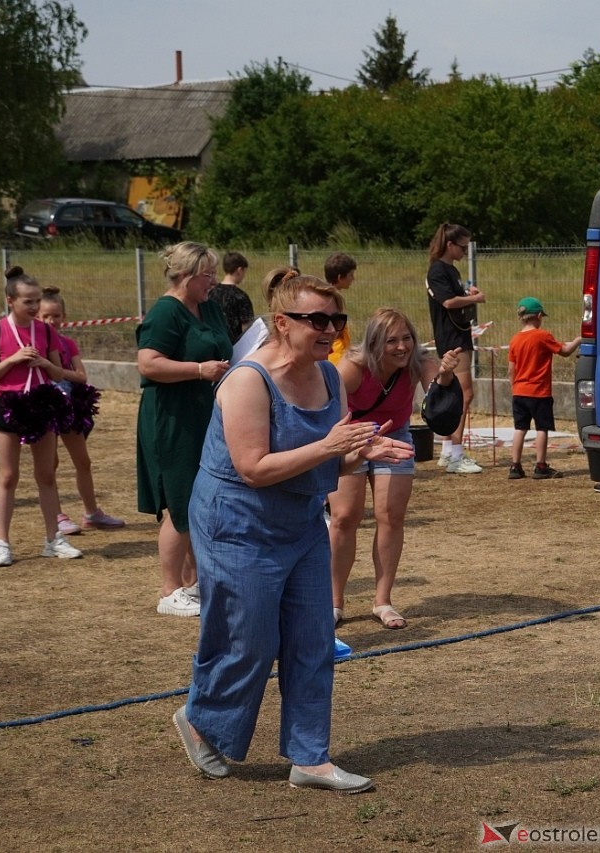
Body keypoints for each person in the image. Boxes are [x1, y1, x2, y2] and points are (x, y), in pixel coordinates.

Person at [173, 273, 413, 791]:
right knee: (251, 642)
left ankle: (310, 758)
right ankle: (200, 719)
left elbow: (332, 458)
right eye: (318, 320)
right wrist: (333, 449)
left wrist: (359, 456)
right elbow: (252, 468)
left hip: (300, 523)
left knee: (313, 640)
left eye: (337, 319)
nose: (331, 330)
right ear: (282, 323)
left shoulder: (328, 377)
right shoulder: (247, 380)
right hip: (236, 525)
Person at [328, 307, 461, 629]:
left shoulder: (417, 362)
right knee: (345, 517)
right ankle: (333, 602)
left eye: (407, 338)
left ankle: (383, 600)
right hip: (354, 437)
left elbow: (439, 401)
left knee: (391, 516)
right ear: (375, 343)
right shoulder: (353, 367)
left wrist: (444, 374)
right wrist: (346, 446)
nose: (402, 347)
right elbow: (326, 407)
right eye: (392, 341)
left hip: (395, 435)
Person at [136, 242, 232, 616]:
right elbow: (148, 364)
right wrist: (198, 370)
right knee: (181, 500)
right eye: (209, 274)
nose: (213, 281)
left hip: (203, 412)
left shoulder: (208, 306)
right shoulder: (165, 312)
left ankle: (195, 584)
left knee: (201, 496)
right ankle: (169, 590)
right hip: (172, 418)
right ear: (187, 276)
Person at [0, 267, 82, 567]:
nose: (35, 307)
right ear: (10, 300)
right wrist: (12, 359)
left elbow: (59, 371)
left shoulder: (47, 330)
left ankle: (53, 539)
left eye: (37, 300)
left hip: (42, 401)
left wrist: (43, 363)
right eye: (28, 301)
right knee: (8, 476)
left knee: (46, 474)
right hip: (10, 403)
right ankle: (2, 542)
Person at [38, 287, 125, 534]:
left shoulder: (68, 344)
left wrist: (57, 372)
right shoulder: (33, 345)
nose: (50, 321)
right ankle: (56, 515)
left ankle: (91, 512)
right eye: (45, 316)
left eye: (55, 316)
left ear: (64, 316)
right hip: (43, 408)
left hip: (69, 406)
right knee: (49, 463)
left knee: (83, 461)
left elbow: (81, 375)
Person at [425, 222, 485, 474]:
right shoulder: (437, 270)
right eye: (461, 247)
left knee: (457, 394)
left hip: (459, 334)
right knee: (463, 394)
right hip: (452, 338)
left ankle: (449, 450)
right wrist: (474, 298)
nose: (464, 252)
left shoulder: (450, 270)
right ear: (449, 245)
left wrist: (467, 291)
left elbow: (454, 295)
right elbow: (448, 301)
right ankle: (456, 452)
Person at [506, 297, 580, 480]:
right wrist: (578, 340)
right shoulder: (543, 336)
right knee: (541, 428)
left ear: (521, 318)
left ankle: (515, 466)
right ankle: (540, 465)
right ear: (538, 316)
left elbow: (510, 370)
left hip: (519, 392)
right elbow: (564, 351)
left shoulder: (515, 340)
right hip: (539, 392)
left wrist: (514, 388)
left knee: (520, 429)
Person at [208, 251, 253, 344]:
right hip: (234, 345)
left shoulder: (209, 293)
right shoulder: (240, 296)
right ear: (239, 270)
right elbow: (248, 327)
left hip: (212, 342)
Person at [323, 252, 357, 365]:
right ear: (340, 277)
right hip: (336, 356)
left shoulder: (327, 296)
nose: (353, 279)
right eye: (351, 275)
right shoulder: (332, 301)